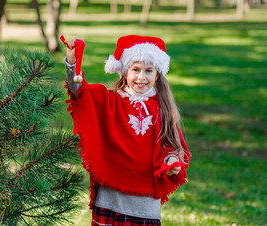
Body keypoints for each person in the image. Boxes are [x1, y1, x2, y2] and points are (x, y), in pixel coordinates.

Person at [63, 35, 191, 226]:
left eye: (148, 70)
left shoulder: (162, 108)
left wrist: (171, 161)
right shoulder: (110, 100)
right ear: (124, 72)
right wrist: (72, 61)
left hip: (144, 203)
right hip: (110, 196)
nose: (141, 77)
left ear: (157, 74)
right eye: (136, 70)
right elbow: (79, 91)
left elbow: (171, 146)